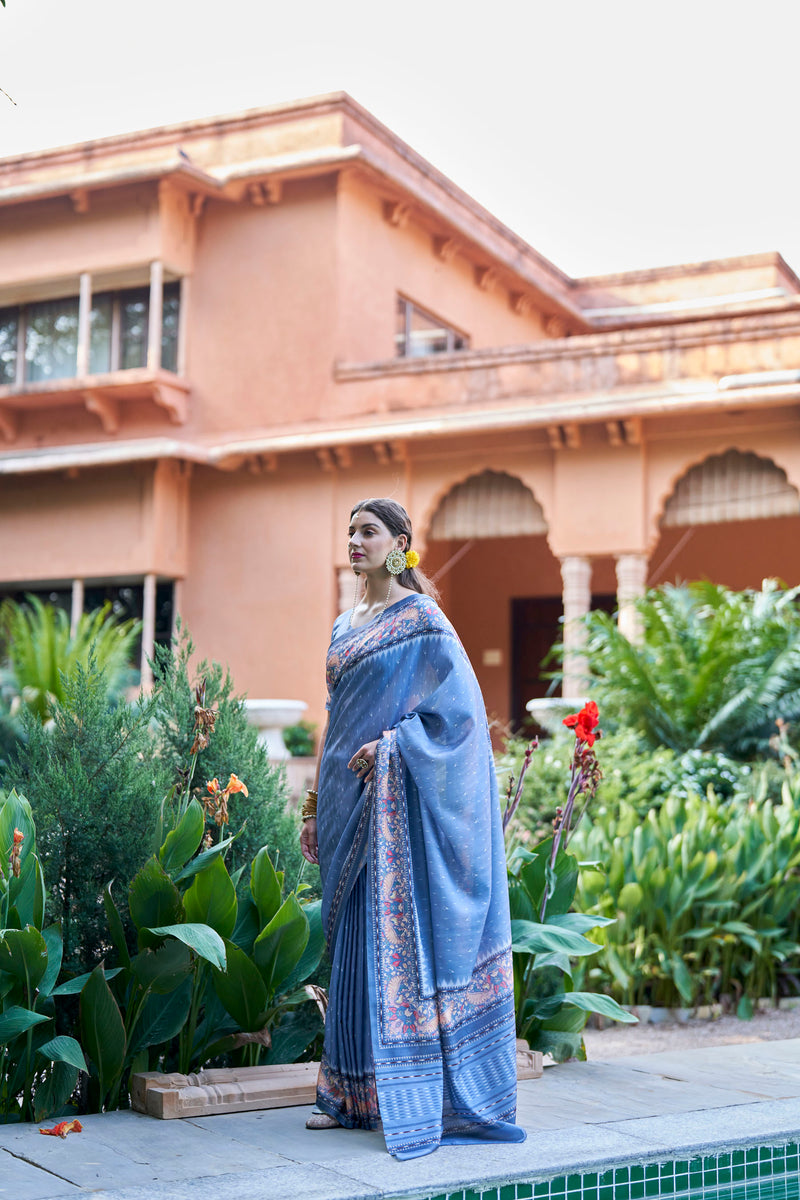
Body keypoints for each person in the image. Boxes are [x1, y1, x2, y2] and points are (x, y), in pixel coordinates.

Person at [299, 497, 525, 1160]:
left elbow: (458, 723)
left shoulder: (423, 621)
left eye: (367, 531)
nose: (355, 542)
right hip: (343, 801)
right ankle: (345, 1095)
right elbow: (333, 721)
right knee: (344, 947)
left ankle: (390, 1092)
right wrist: (314, 808)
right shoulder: (344, 625)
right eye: (349, 532)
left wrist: (396, 749)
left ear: (400, 543)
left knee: (379, 940)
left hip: (390, 800)